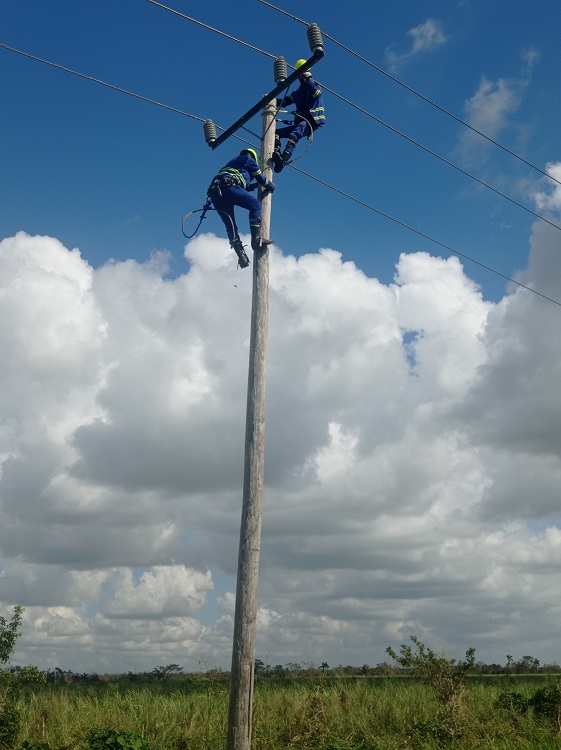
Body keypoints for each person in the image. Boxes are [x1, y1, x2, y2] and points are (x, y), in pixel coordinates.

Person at [207, 148, 276, 269]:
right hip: (229, 187)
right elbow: (260, 178)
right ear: (253, 157)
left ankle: (241, 256)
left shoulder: (234, 164)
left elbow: (245, 186)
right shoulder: (248, 160)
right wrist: (270, 185)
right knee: (255, 206)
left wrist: (255, 185)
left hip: (216, 193)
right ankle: (256, 239)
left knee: (231, 226)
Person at [273, 59, 326, 173]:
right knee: (275, 133)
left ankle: (284, 159)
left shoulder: (313, 86)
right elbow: (285, 102)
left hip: (311, 121)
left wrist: (307, 78)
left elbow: (315, 92)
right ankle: (277, 153)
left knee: (294, 134)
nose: (299, 78)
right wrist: (271, 100)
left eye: (300, 75)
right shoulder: (298, 92)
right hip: (301, 121)